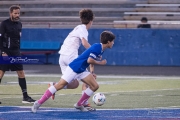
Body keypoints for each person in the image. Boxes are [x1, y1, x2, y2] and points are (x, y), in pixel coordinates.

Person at [31, 31, 115, 112]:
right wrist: (101, 62)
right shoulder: (97, 47)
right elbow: (90, 60)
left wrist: (92, 73)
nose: (113, 43)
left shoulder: (101, 49)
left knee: (95, 86)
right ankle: (38, 103)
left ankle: (79, 104)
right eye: (112, 41)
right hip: (74, 67)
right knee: (59, 86)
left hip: (82, 69)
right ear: (108, 42)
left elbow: (92, 61)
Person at [48, 8, 96, 110]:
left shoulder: (78, 28)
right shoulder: (83, 29)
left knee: (74, 84)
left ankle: (53, 85)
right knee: (89, 81)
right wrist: (94, 50)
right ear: (91, 21)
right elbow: (84, 43)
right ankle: (84, 103)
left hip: (62, 58)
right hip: (70, 57)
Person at [0, 5, 35, 103]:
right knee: (1, 73)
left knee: (21, 73)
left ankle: (25, 97)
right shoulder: (4, 24)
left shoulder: (19, 24)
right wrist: (3, 52)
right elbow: (0, 39)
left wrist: (18, 52)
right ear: (10, 13)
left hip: (16, 53)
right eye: (15, 13)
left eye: (18, 13)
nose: (17, 15)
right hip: (6, 52)